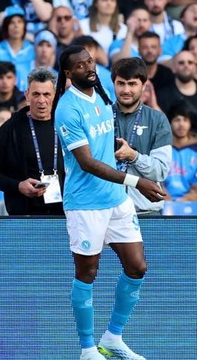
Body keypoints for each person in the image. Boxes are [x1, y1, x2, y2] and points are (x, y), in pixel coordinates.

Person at [52, 45, 165, 360]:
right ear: (68, 73)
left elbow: (104, 137)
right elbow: (86, 162)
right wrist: (137, 181)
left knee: (137, 266)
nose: (89, 67)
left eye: (90, 60)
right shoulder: (67, 109)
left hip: (116, 199)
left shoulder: (100, 88)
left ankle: (112, 338)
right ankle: (88, 349)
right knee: (87, 273)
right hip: (86, 203)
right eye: (81, 65)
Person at [0, 68, 65, 216]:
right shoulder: (10, 129)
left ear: (55, 96)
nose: (41, 100)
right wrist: (18, 186)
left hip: (65, 213)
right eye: (36, 94)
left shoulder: (67, 124)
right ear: (27, 95)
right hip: (23, 213)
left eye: (46, 94)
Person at [111, 58, 172, 215]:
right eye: (121, 83)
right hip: (108, 211)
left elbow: (161, 171)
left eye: (132, 84)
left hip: (146, 211)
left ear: (144, 86)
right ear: (114, 84)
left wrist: (134, 156)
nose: (126, 90)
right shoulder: (100, 117)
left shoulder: (158, 119)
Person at [163, 101, 197, 201]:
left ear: (190, 123)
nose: (181, 124)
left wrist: (184, 201)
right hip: (162, 201)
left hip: (191, 203)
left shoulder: (195, 149)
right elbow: (156, 181)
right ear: (170, 122)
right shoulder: (162, 147)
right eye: (177, 120)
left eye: (185, 120)